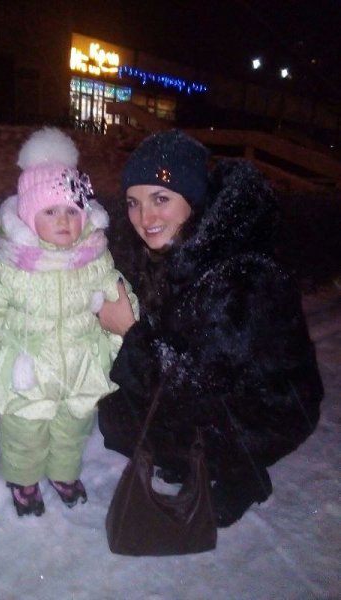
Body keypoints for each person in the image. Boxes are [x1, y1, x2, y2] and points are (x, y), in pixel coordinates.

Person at [97, 129, 323, 527]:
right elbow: (177, 348)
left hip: (266, 417)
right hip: (210, 393)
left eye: (161, 199)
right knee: (117, 419)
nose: (145, 218)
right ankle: (194, 457)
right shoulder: (181, 250)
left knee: (156, 420)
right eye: (134, 202)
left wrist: (131, 332)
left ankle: (244, 476)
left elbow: (198, 387)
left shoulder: (242, 274)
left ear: (194, 200)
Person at [0, 127, 138, 517]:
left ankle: (63, 474)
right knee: (24, 435)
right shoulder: (9, 269)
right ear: (28, 216)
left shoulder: (95, 260)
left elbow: (122, 304)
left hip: (79, 372)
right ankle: (23, 480)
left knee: (72, 433)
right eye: (50, 211)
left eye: (72, 211)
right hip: (28, 376)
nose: (64, 221)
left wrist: (106, 354)